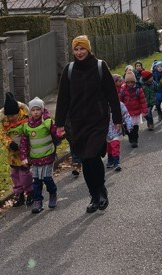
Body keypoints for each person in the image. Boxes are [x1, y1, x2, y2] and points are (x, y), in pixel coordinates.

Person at [55, 35, 122, 213]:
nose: (79, 52)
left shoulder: (100, 66)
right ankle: (94, 196)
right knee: (85, 159)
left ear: (88, 49)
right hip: (76, 123)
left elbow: (112, 95)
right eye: (76, 49)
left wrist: (117, 119)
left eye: (82, 49)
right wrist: (59, 123)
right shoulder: (69, 70)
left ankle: (101, 191)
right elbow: (63, 98)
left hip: (97, 120)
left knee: (92, 155)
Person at [17, 97, 64, 213]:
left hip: (48, 156)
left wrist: (61, 133)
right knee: (36, 182)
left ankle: (52, 193)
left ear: (42, 110)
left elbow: (56, 134)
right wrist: (23, 157)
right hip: (35, 159)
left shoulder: (47, 122)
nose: (35, 112)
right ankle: (37, 201)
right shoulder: (26, 126)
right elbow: (24, 143)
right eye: (33, 110)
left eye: (38, 109)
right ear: (30, 112)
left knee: (47, 179)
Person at [0, 91, 33, 207]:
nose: (11, 118)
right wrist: (9, 143)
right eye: (9, 116)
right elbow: (2, 134)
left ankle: (30, 192)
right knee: (15, 175)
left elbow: (31, 132)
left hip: (24, 154)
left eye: (13, 116)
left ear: (18, 112)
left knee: (25, 175)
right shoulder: (5, 122)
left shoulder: (26, 118)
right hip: (13, 154)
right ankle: (19, 194)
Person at [119, 65, 148, 147]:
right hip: (127, 113)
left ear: (134, 82)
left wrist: (144, 110)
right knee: (127, 128)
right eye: (128, 82)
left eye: (131, 82)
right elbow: (120, 101)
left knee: (135, 128)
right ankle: (130, 137)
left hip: (136, 112)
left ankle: (135, 140)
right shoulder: (123, 90)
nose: (130, 84)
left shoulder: (138, 89)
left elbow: (142, 101)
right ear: (125, 82)